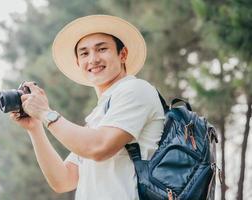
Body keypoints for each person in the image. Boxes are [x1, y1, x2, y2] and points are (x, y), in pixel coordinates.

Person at [10, 15, 165, 200]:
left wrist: (45, 113)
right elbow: (64, 180)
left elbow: (100, 147)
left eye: (102, 49)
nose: (93, 59)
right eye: (84, 53)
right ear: (78, 63)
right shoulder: (97, 117)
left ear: (122, 54)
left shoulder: (135, 89)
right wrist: (35, 127)